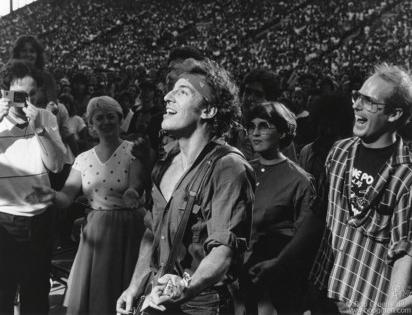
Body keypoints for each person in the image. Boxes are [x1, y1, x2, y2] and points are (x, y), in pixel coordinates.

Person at [249, 63, 412, 315]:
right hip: (321, 293)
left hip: (366, 304)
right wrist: (281, 262)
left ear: (394, 114)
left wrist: (390, 310)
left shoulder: (406, 175)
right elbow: (318, 214)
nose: (356, 105)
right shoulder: (339, 152)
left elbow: (404, 254)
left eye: (369, 101)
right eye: (357, 96)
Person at [116, 58, 255, 315]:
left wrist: (185, 287)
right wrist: (135, 286)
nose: (167, 96)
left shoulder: (228, 167)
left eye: (182, 92)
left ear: (208, 110)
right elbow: (151, 234)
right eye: (171, 90)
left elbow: (223, 251)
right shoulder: (165, 162)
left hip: (202, 304)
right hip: (157, 296)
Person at [27, 96, 149, 314]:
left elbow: (136, 183)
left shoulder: (132, 150)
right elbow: (66, 197)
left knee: (128, 288)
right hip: (97, 230)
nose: (105, 122)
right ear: (91, 124)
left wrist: (132, 193)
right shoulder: (83, 159)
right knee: (100, 292)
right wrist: (51, 195)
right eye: (99, 118)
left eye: (110, 117)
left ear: (120, 120)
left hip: (129, 228)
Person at [234, 102, 316, 315]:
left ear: (282, 132)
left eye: (264, 126)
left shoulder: (299, 181)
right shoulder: (241, 171)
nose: (255, 133)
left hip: (272, 288)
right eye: (251, 127)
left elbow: (305, 243)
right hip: (234, 282)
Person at [0, 60, 66, 314]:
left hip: (40, 220)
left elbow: (57, 166)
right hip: (4, 221)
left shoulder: (45, 117)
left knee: (36, 295)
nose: (26, 102)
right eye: (19, 96)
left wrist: (39, 128)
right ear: (5, 93)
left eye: (31, 94)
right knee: (3, 293)